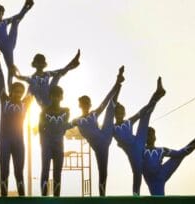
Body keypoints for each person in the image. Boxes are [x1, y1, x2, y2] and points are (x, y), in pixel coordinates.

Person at [70, 66, 124, 196]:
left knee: (110, 107)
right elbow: (64, 126)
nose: (85, 105)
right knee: (102, 171)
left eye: (87, 102)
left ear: (89, 104)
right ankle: (102, 195)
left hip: (105, 134)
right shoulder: (76, 120)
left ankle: (119, 82)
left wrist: (116, 84)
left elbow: (105, 101)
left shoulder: (94, 114)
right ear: (80, 105)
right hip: (100, 147)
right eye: (83, 103)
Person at [113, 77, 166, 195]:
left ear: (124, 113)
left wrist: (120, 143)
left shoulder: (128, 121)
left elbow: (139, 113)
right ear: (114, 114)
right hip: (133, 151)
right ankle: (136, 196)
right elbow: (105, 135)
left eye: (122, 112)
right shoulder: (112, 128)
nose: (120, 114)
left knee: (145, 115)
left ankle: (157, 95)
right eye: (117, 112)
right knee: (137, 173)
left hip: (139, 140)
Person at [0, 49, 32, 196]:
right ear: (11, 91)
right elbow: (1, 78)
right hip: (4, 142)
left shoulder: (25, 104)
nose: (18, 94)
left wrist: (19, 75)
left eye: (20, 92)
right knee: (4, 171)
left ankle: (22, 198)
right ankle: (3, 198)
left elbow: (32, 85)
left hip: (18, 143)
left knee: (19, 173)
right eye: (15, 91)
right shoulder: (4, 100)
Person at [0, 0, 34, 88]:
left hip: (10, 41)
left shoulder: (4, 21)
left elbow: (18, 16)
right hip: (5, 48)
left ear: (2, 14)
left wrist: (27, 8)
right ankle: (10, 87)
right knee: (11, 68)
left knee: (16, 20)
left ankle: (27, 5)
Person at [142, 121, 195, 195]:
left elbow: (180, 153)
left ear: (155, 137)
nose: (150, 137)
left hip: (161, 174)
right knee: (158, 199)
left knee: (180, 155)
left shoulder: (162, 150)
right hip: (152, 179)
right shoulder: (140, 150)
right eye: (148, 135)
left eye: (152, 135)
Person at [14, 50, 80, 108]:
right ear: (35, 64)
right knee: (32, 85)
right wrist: (16, 75)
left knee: (57, 75)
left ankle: (72, 64)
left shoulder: (47, 73)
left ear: (44, 64)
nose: (40, 64)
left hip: (51, 96)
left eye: (42, 62)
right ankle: (21, 104)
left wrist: (71, 65)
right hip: (42, 101)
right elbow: (25, 78)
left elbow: (60, 71)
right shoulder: (33, 77)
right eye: (38, 62)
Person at [39, 86, 71, 196]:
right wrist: (44, 143)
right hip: (47, 144)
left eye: (58, 96)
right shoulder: (44, 111)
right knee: (45, 170)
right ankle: (44, 197)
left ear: (61, 97)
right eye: (53, 96)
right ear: (50, 96)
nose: (56, 98)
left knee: (57, 172)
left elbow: (64, 127)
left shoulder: (66, 111)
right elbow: (40, 129)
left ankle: (56, 198)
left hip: (59, 144)